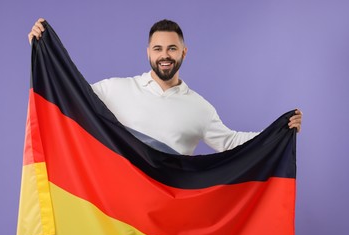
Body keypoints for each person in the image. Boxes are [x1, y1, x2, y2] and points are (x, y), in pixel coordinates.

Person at [28, 18, 303, 155]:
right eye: (158, 48)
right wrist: (43, 52)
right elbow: (68, 92)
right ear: (148, 52)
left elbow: (230, 142)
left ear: (184, 52)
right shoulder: (115, 89)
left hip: (168, 220)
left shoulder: (200, 108)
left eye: (172, 48)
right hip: (116, 214)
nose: (165, 55)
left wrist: (278, 131)